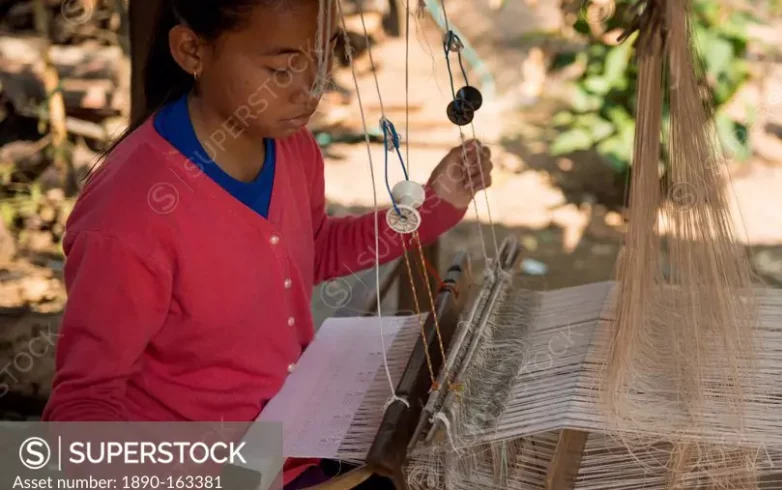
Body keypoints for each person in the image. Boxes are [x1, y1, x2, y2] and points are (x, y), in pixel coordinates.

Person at [40, 0, 492, 488]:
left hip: (291, 445)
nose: (311, 90)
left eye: (324, 60)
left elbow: (311, 250)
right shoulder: (131, 215)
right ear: (192, 51)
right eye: (281, 70)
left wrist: (433, 204)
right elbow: (83, 413)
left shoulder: (292, 148)